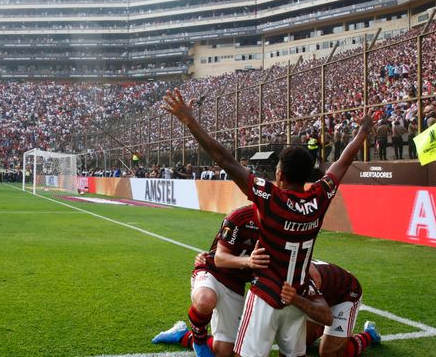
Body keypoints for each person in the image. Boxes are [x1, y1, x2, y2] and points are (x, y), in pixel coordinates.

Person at [163, 89, 372, 357]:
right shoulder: (320, 197)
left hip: (265, 293)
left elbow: (223, 158)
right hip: (296, 296)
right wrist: (362, 135)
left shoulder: (270, 198)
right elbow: (343, 162)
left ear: (279, 173)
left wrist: (190, 121)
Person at [155, 260, 381, 357]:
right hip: (304, 298)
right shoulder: (269, 266)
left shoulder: (302, 278)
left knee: (329, 353)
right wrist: (207, 260)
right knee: (232, 346)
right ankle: (183, 334)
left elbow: (326, 315)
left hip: (342, 294)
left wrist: (296, 301)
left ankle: (368, 335)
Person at [152, 205, 267, 357]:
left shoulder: (280, 224)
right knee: (205, 299)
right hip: (212, 270)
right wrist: (248, 262)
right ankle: (199, 341)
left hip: (235, 284)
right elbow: (219, 258)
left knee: (224, 352)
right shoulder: (239, 217)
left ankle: (182, 335)